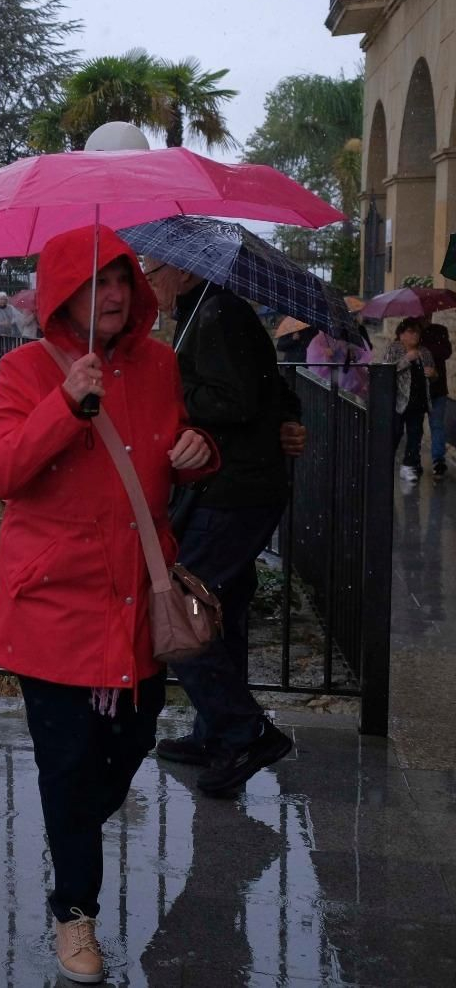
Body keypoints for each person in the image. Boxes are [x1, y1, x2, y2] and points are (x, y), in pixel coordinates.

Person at [0, 225, 216, 984]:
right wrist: (65, 404)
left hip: (137, 605)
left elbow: (169, 451)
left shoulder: (159, 364)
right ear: (61, 294)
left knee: (128, 747)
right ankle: (73, 915)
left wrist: (196, 454)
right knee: (68, 764)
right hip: (52, 609)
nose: (114, 294)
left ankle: (74, 828)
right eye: (96, 282)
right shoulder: (24, 370)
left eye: (122, 280)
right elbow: (1, 472)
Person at [142, 259, 303, 798]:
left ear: (183, 271)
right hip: (231, 490)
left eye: (151, 270)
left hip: (234, 494)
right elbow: (275, 392)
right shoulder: (203, 312)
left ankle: (244, 730)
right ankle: (215, 735)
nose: (147, 281)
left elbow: (235, 399)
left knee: (180, 608)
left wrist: (168, 385)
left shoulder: (218, 314)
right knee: (219, 608)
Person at [380, 318, 437, 482]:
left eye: (417, 332)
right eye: (411, 332)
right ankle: (384, 464)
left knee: (415, 435)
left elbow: (433, 375)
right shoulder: (394, 349)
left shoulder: (425, 352)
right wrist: (406, 359)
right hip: (399, 401)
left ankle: (408, 466)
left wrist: (433, 374)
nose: (415, 335)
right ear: (401, 334)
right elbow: (386, 371)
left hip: (418, 402)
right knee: (395, 433)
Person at [417, 313, 450, 476]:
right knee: (415, 426)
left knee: (437, 425)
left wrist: (425, 349)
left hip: (437, 389)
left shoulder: (440, 330)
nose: (425, 317)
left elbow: (446, 352)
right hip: (417, 390)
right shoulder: (410, 330)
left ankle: (438, 460)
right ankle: (413, 461)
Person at [304, 329, 371, 398]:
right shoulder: (317, 341)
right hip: (331, 386)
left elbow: (363, 355)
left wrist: (350, 353)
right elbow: (315, 362)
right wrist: (327, 353)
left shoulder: (347, 337)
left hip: (349, 385)